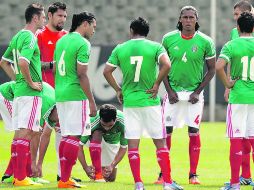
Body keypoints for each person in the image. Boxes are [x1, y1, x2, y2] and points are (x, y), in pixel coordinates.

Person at [103, 17, 183, 190]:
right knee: (160, 143)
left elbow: (107, 71)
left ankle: (138, 184)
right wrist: (156, 84)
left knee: (133, 145)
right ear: (147, 33)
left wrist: (118, 89)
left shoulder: (120, 48)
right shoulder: (155, 47)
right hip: (150, 101)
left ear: (131, 31)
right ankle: (168, 183)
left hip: (130, 102)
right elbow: (167, 65)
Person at [156, 6, 216, 185]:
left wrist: (198, 92)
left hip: (194, 96)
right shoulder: (168, 38)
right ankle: (163, 174)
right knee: (166, 132)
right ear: (180, 19)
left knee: (194, 132)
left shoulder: (206, 41)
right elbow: (162, 67)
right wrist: (169, 91)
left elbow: (212, 69)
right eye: (185, 17)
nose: (188, 20)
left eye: (192, 17)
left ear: (196, 20)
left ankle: (193, 175)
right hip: (172, 93)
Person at [0, 3, 45, 186]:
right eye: (43, 17)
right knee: (27, 133)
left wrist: (18, 80)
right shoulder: (31, 37)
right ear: (35, 18)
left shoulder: (17, 36)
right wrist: (31, 83)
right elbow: (24, 63)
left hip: (19, 93)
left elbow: (3, 62)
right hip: (29, 94)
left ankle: (17, 176)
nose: (44, 20)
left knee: (21, 134)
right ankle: (20, 178)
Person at [54, 11, 97, 188]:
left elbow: (56, 69)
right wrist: (92, 102)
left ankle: (64, 178)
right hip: (75, 95)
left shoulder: (61, 40)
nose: (94, 30)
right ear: (85, 24)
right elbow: (82, 74)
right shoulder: (83, 42)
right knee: (75, 136)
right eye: (93, 26)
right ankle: (64, 180)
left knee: (66, 136)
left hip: (61, 94)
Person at [216, 12, 254, 190]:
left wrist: (228, 84)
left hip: (238, 97)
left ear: (238, 28)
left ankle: (234, 184)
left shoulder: (231, 45)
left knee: (236, 140)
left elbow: (219, 66)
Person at [36, 2, 70, 182]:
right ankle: (35, 169)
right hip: (44, 92)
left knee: (63, 134)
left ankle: (61, 175)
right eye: (59, 16)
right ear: (49, 15)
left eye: (65, 16)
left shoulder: (66, 36)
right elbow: (32, 63)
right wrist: (50, 65)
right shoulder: (39, 35)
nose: (63, 19)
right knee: (39, 133)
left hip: (63, 93)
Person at [0, 82, 59, 184]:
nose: (57, 124)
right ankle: (19, 176)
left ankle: (11, 175)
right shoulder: (46, 104)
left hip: (21, 96)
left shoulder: (55, 111)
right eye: (59, 122)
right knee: (23, 133)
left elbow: (45, 136)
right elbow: (36, 135)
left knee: (24, 134)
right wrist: (33, 163)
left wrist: (39, 163)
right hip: (7, 95)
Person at [79, 104, 127, 182]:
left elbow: (123, 147)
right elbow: (79, 145)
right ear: (100, 119)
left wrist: (112, 165)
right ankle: (98, 174)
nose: (106, 128)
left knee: (110, 178)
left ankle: (98, 166)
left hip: (112, 143)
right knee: (97, 132)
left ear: (115, 119)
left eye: (110, 125)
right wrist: (85, 167)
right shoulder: (92, 120)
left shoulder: (124, 122)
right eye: (103, 125)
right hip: (94, 140)